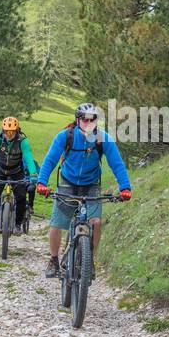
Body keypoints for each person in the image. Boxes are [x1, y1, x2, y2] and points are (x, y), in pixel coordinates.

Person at [36, 102, 131, 278]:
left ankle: (90, 262)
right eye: (84, 119)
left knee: (96, 223)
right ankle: (54, 260)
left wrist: (125, 187)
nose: (88, 123)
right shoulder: (65, 137)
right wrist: (42, 182)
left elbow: (117, 164)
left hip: (91, 185)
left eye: (92, 119)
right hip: (67, 183)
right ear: (77, 120)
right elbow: (50, 160)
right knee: (57, 223)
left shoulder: (104, 139)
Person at [0, 116, 38, 234]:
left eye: (12, 132)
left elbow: (29, 157)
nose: (9, 134)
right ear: (3, 130)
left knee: (21, 196)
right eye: (7, 131)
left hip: (16, 171)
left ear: (16, 130)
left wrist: (33, 174)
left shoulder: (23, 141)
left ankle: (17, 224)